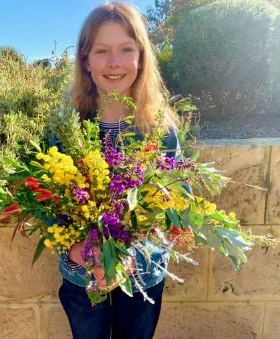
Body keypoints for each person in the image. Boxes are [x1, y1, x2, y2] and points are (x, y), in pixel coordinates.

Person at [57, 2, 181, 338]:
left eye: (126, 49)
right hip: (82, 278)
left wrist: (131, 258)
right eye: (101, 51)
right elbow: (47, 210)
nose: (114, 63)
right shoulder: (65, 127)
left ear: (141, 57)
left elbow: (171, 210)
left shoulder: (159, 128)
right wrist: (77, 249)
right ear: (85, 60)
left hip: (142, 278)